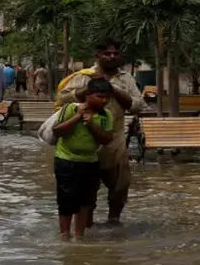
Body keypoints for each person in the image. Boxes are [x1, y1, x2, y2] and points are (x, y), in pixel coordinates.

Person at [58, 40, 145, 226]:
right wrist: (90, 88)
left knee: (120, 186)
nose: (112, 57)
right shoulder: (84, 76)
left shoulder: (126, 79)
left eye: (115, 53)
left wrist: (113, 89)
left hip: (115, 141)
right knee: (86, 190)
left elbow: (138, 106)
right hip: (86, 143)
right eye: (107, 53)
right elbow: (63, 99)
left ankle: (113, 222)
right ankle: (86, 227)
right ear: (98, 56)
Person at [52, 78, 115, 239]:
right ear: (88, 95)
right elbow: (57, 131)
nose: (104, 100)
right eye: (100, 96)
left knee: (86, 201)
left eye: (107, 97)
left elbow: (107, 139)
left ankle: (79, 235)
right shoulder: (71, 108)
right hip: (66, 160)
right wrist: (77, 118)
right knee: (66, 199)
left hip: (90, 161)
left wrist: (92, 125)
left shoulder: (106, 115)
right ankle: (65, 234)